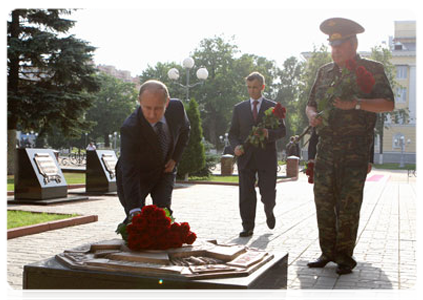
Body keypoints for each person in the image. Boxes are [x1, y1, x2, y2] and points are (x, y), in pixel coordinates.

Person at [306, 18, 394, 275]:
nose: (335, 51)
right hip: (327, 148)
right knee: (323, 200)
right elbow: (310, 103)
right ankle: (327, 251)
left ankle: (344, 256)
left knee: (348, 204)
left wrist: (357, 103)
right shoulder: (324, 72)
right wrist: (312, 115)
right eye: (332, 46)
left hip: (355, 150)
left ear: (353, 44)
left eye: (340, 46)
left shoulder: (373, 69)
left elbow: (388, 104)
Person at [116, 80, 190, 222]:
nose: (151, 114)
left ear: (167, 103)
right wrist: (134, 210)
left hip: (165, 170)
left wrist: (175, 158)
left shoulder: (177, 109)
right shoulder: (130, 128)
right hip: (137, 176)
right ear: (139, 101)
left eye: (158, 108)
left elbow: (185, 131)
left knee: (163, 216)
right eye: (147, 108)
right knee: (137, 221)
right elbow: (129, 170)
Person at [228, 72, 286, 237]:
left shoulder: (273, 107)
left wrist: (269, 133)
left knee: (267, 192)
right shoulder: (239, 108)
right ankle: (248, 226)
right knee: (246, 193)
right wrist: (235, 146)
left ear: (262, 87)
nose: (252, 91)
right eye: (249, 87)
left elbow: (283, 131)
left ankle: (269, 209)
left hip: (266, 157)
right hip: (245, 157)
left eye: (255, 87)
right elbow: (232, 133)